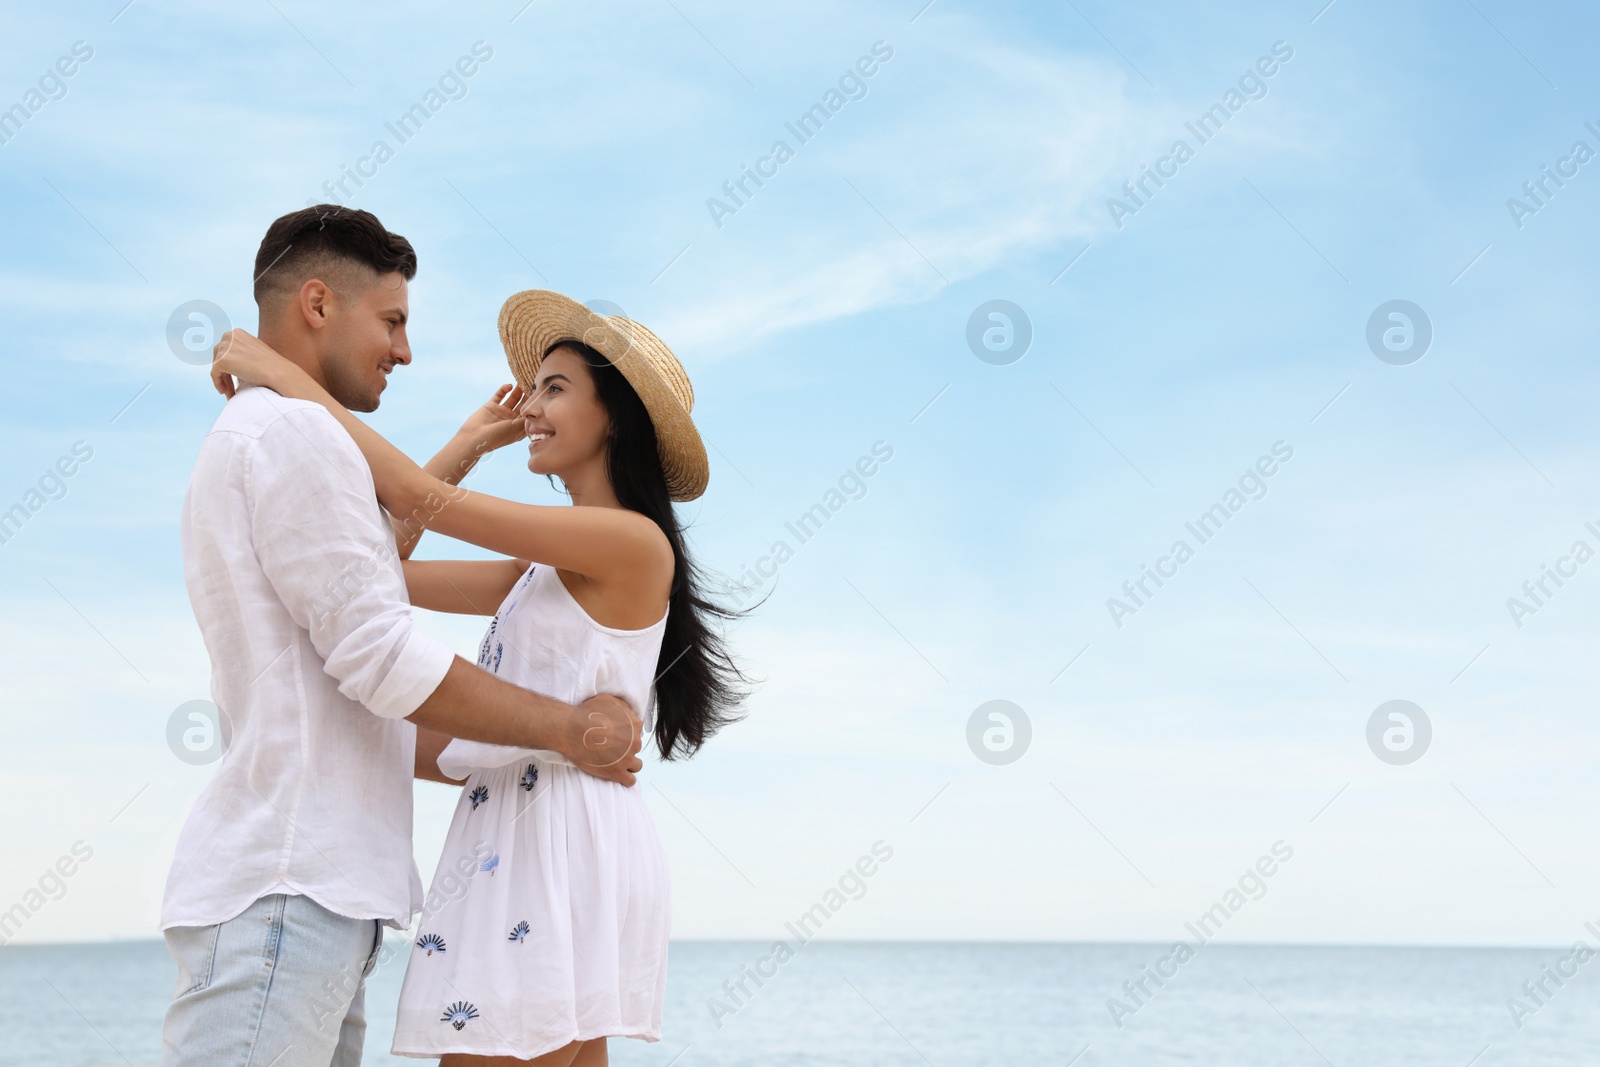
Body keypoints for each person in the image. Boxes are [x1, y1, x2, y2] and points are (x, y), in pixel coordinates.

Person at [209, 289, 747, 1065]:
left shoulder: (631, 542)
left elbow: (420, 499)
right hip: (530, 839)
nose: (530, 406)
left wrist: (285, 377)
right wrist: (466, 439)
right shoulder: (542, 570)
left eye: (554, 389)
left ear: (617, 417)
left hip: (557, 845)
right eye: (533, 390)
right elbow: (381, 565)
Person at [162, 207, 644, 1067]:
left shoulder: (279, 429)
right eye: (392, 321)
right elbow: (385, 637)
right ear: (317, 304)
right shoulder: (291, 430)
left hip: (357, 887)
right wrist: (572, 731)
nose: (405, 348)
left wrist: (293, 380)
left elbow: (379, 565)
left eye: (556, 389)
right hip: (301, 887)